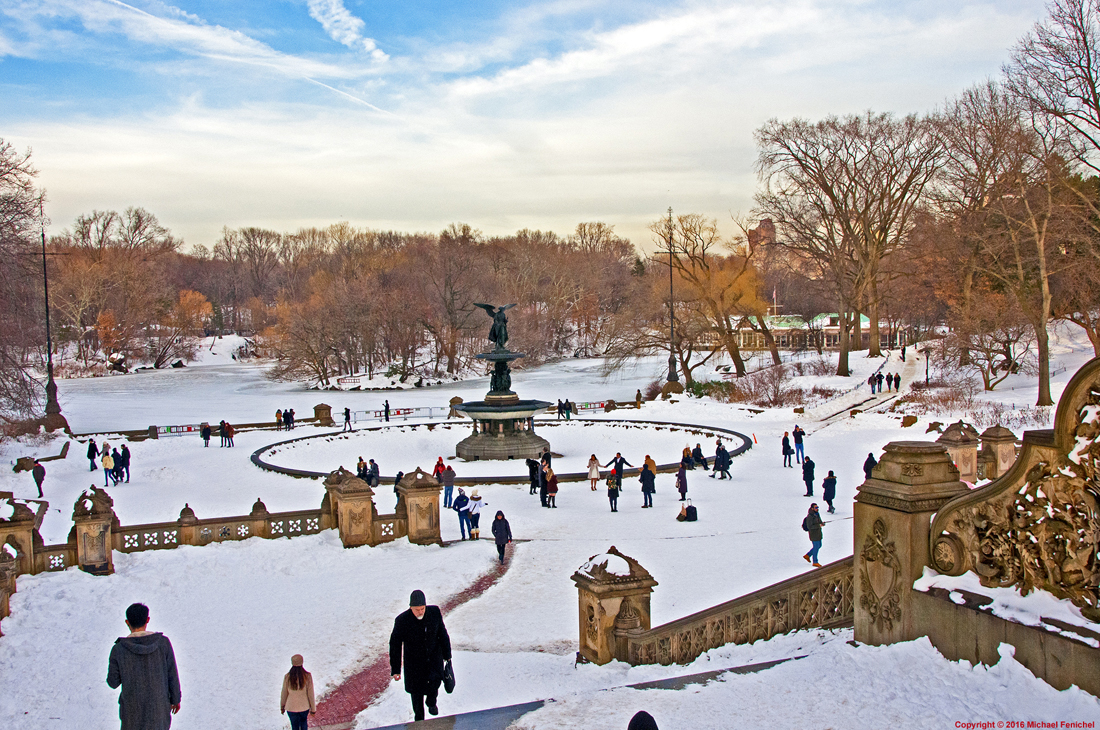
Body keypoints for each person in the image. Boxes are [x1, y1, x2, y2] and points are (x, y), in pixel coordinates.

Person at [106, 602, 181, 730]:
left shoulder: (118, 649)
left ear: (127, 622)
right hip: (159, 709)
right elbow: (171, 674)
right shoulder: (163, 643)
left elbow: (113, 682)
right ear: (147, 620)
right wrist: (175, 699)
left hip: (131, 712)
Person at [389, 590, 452, 723]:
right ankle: (419, 720)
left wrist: (447, 656)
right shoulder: (402, 621)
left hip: (433, 660)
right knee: (416, 693)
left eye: (422, 608)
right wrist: (395, 669)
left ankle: (431, 702)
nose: (420, 612)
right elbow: (395, 645)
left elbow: (443, 634)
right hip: (414, 665)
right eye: (417, 609)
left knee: (434, 684)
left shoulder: (434, 613)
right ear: (410, 607)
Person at [279, 654, 316, 730]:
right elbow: (310, 694)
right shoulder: (307, 676)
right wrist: (313, 709)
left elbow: (284, 693)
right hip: (304, 706)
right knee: (303, 724)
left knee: (294, 726)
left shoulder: (287, 677)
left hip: (291, 707)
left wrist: (282, 706)